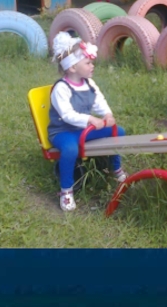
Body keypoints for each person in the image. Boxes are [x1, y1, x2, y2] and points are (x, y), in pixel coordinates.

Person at [48, 32, 128, 212]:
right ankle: (66, 190)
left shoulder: (89, 83)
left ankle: (115, 168)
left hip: (83, 130)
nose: (92, 66)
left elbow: (99, 101)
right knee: (70, 149)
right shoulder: (61, 88)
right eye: (88, 63)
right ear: (72, 67)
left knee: (118, 131)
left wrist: (107, 114)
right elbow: (67, 115)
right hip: (63, 132)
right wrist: (90, 119)